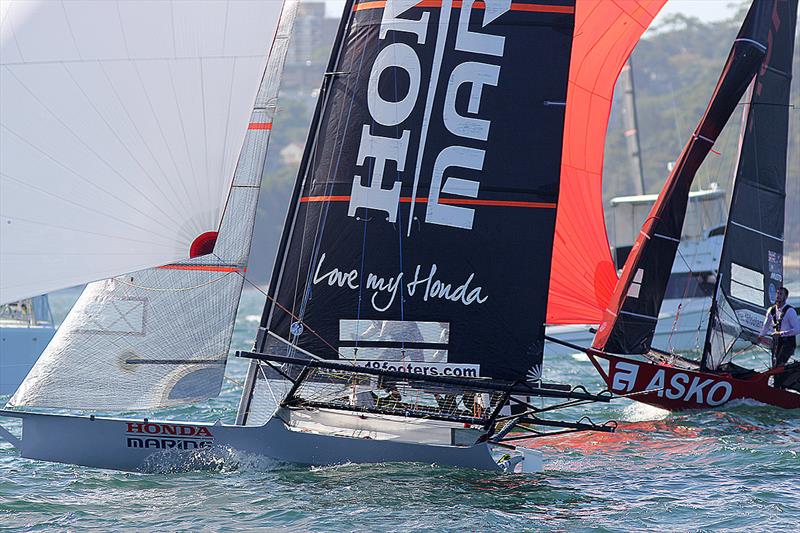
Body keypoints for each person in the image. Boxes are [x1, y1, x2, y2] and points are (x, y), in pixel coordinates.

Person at [759, 287, 799, 386]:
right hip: (777, 343)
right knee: (774, 367)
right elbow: (765, 326)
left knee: (779, 366)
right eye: (777, 293)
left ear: (786, 297)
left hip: (788, 343)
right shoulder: (771, 310)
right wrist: (760, 336)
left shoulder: (790, 311)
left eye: (781, 294)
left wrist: (781, 333)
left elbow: (797, 330)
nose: (778, 296)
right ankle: (778, 387)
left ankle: (779, 387)